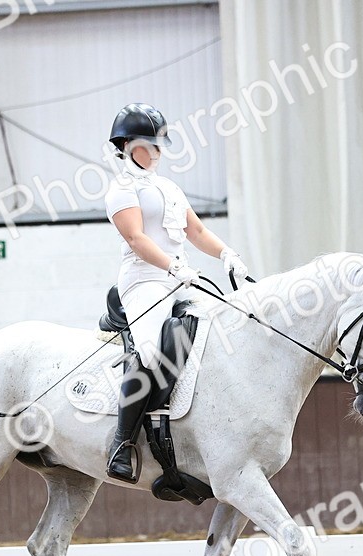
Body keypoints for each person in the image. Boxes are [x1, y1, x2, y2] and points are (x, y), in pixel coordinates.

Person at [101, 102, 249, 483]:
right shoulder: (122, 188)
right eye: (150, 144)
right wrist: (172, 266)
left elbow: (196, 232)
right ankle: (123, 442)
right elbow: (135, 238)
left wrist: (227, 254)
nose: (158, 151)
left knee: (221, 332)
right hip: (144, 281)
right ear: (129, 145)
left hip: (179, 277)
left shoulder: (168, 187)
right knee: (151, 352)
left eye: (159, 144)